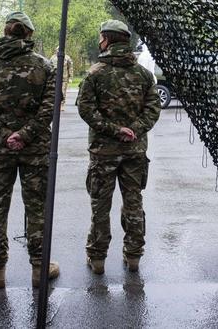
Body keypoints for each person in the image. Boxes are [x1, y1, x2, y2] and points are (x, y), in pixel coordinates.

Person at [0, 11, 60, 289]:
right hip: (34, 148)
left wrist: (3, 135)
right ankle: (38, 268)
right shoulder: (43, 66)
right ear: (28, 34)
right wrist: (25, 133)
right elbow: (51, 105)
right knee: (37, 209)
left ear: (6, 32)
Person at [77, 20, 161, 274]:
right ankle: (134, 256)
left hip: (104, 151)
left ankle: (98, 258)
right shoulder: (144, 75)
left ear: (107, 39)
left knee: (100, 205)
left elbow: (85, 108)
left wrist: (114, 130)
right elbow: (153, 109)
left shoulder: (96, 73)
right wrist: (134, 129)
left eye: (101, 37)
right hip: (135, 151)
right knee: (133, 202)